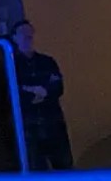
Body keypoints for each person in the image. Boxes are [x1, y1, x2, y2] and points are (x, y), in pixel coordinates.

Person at [11, 19, 73, 170]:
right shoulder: (12, 65)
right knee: (37, 168)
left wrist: (41, 91)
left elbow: (57, 87)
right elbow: (15, 92)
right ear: (14, 38)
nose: (28, 37)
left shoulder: (47, 61)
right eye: (23, 34)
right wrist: (39, 92)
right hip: (29, 126)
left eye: (30, 33)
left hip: (52, 122)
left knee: (63, 166)